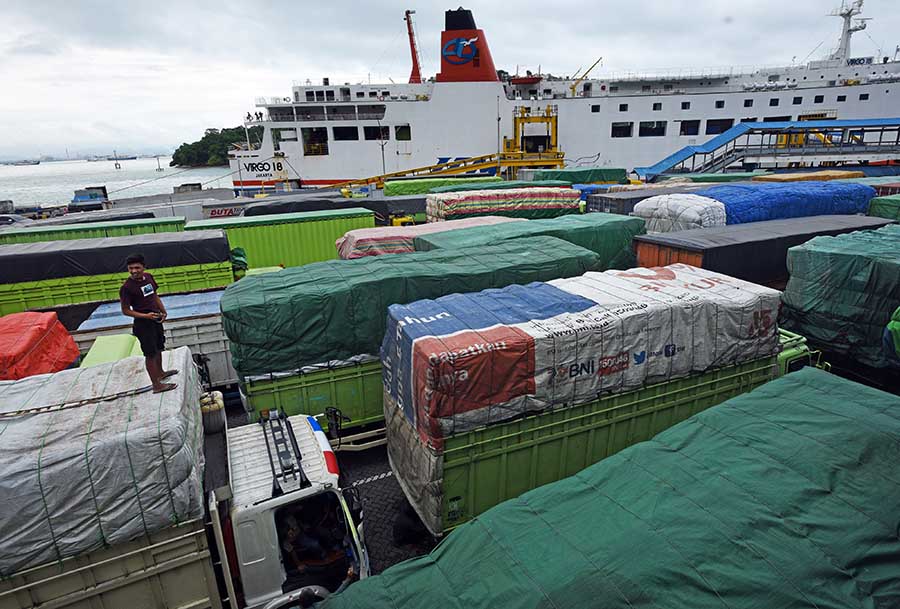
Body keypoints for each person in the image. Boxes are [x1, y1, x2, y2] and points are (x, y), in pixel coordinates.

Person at [119, 254, 177, 393]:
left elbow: (154, 296)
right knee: (150, 354)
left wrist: (163, 311)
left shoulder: (149, 277)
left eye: (137, 267)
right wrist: (146, 316)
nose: (134, 271)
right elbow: (126, 311)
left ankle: (161, 373)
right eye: (131, 268)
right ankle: (156, 385)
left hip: (155, 319)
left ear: (144, 267)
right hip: (143, 324)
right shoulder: (127, 288)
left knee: (159, 347)